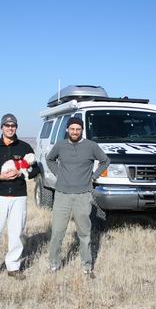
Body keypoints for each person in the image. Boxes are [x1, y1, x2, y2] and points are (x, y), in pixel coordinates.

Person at [46, 117, 110, 278]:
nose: (75, 132)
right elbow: (49, 159)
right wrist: (58, 173)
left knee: (84, 233)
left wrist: (94, 176)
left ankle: (87, 266)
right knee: (57, 232)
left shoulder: (91, 146)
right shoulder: (60, 145)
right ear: (67, 130)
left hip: (83, 195)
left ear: (82, 130)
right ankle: (54, 264)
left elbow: (105, 161)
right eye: (72, 129)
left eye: (78, 129)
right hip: (62, 195)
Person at [0, 114, 37, 280]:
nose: (10, 128)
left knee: (17, 232)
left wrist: (22, 172)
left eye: (13, 126)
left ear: (16, 128)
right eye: (7, 125)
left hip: (19, 196)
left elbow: (35, 168)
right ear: (1, 127)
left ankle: (13, 266)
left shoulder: (25, 147)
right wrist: (0, 177)